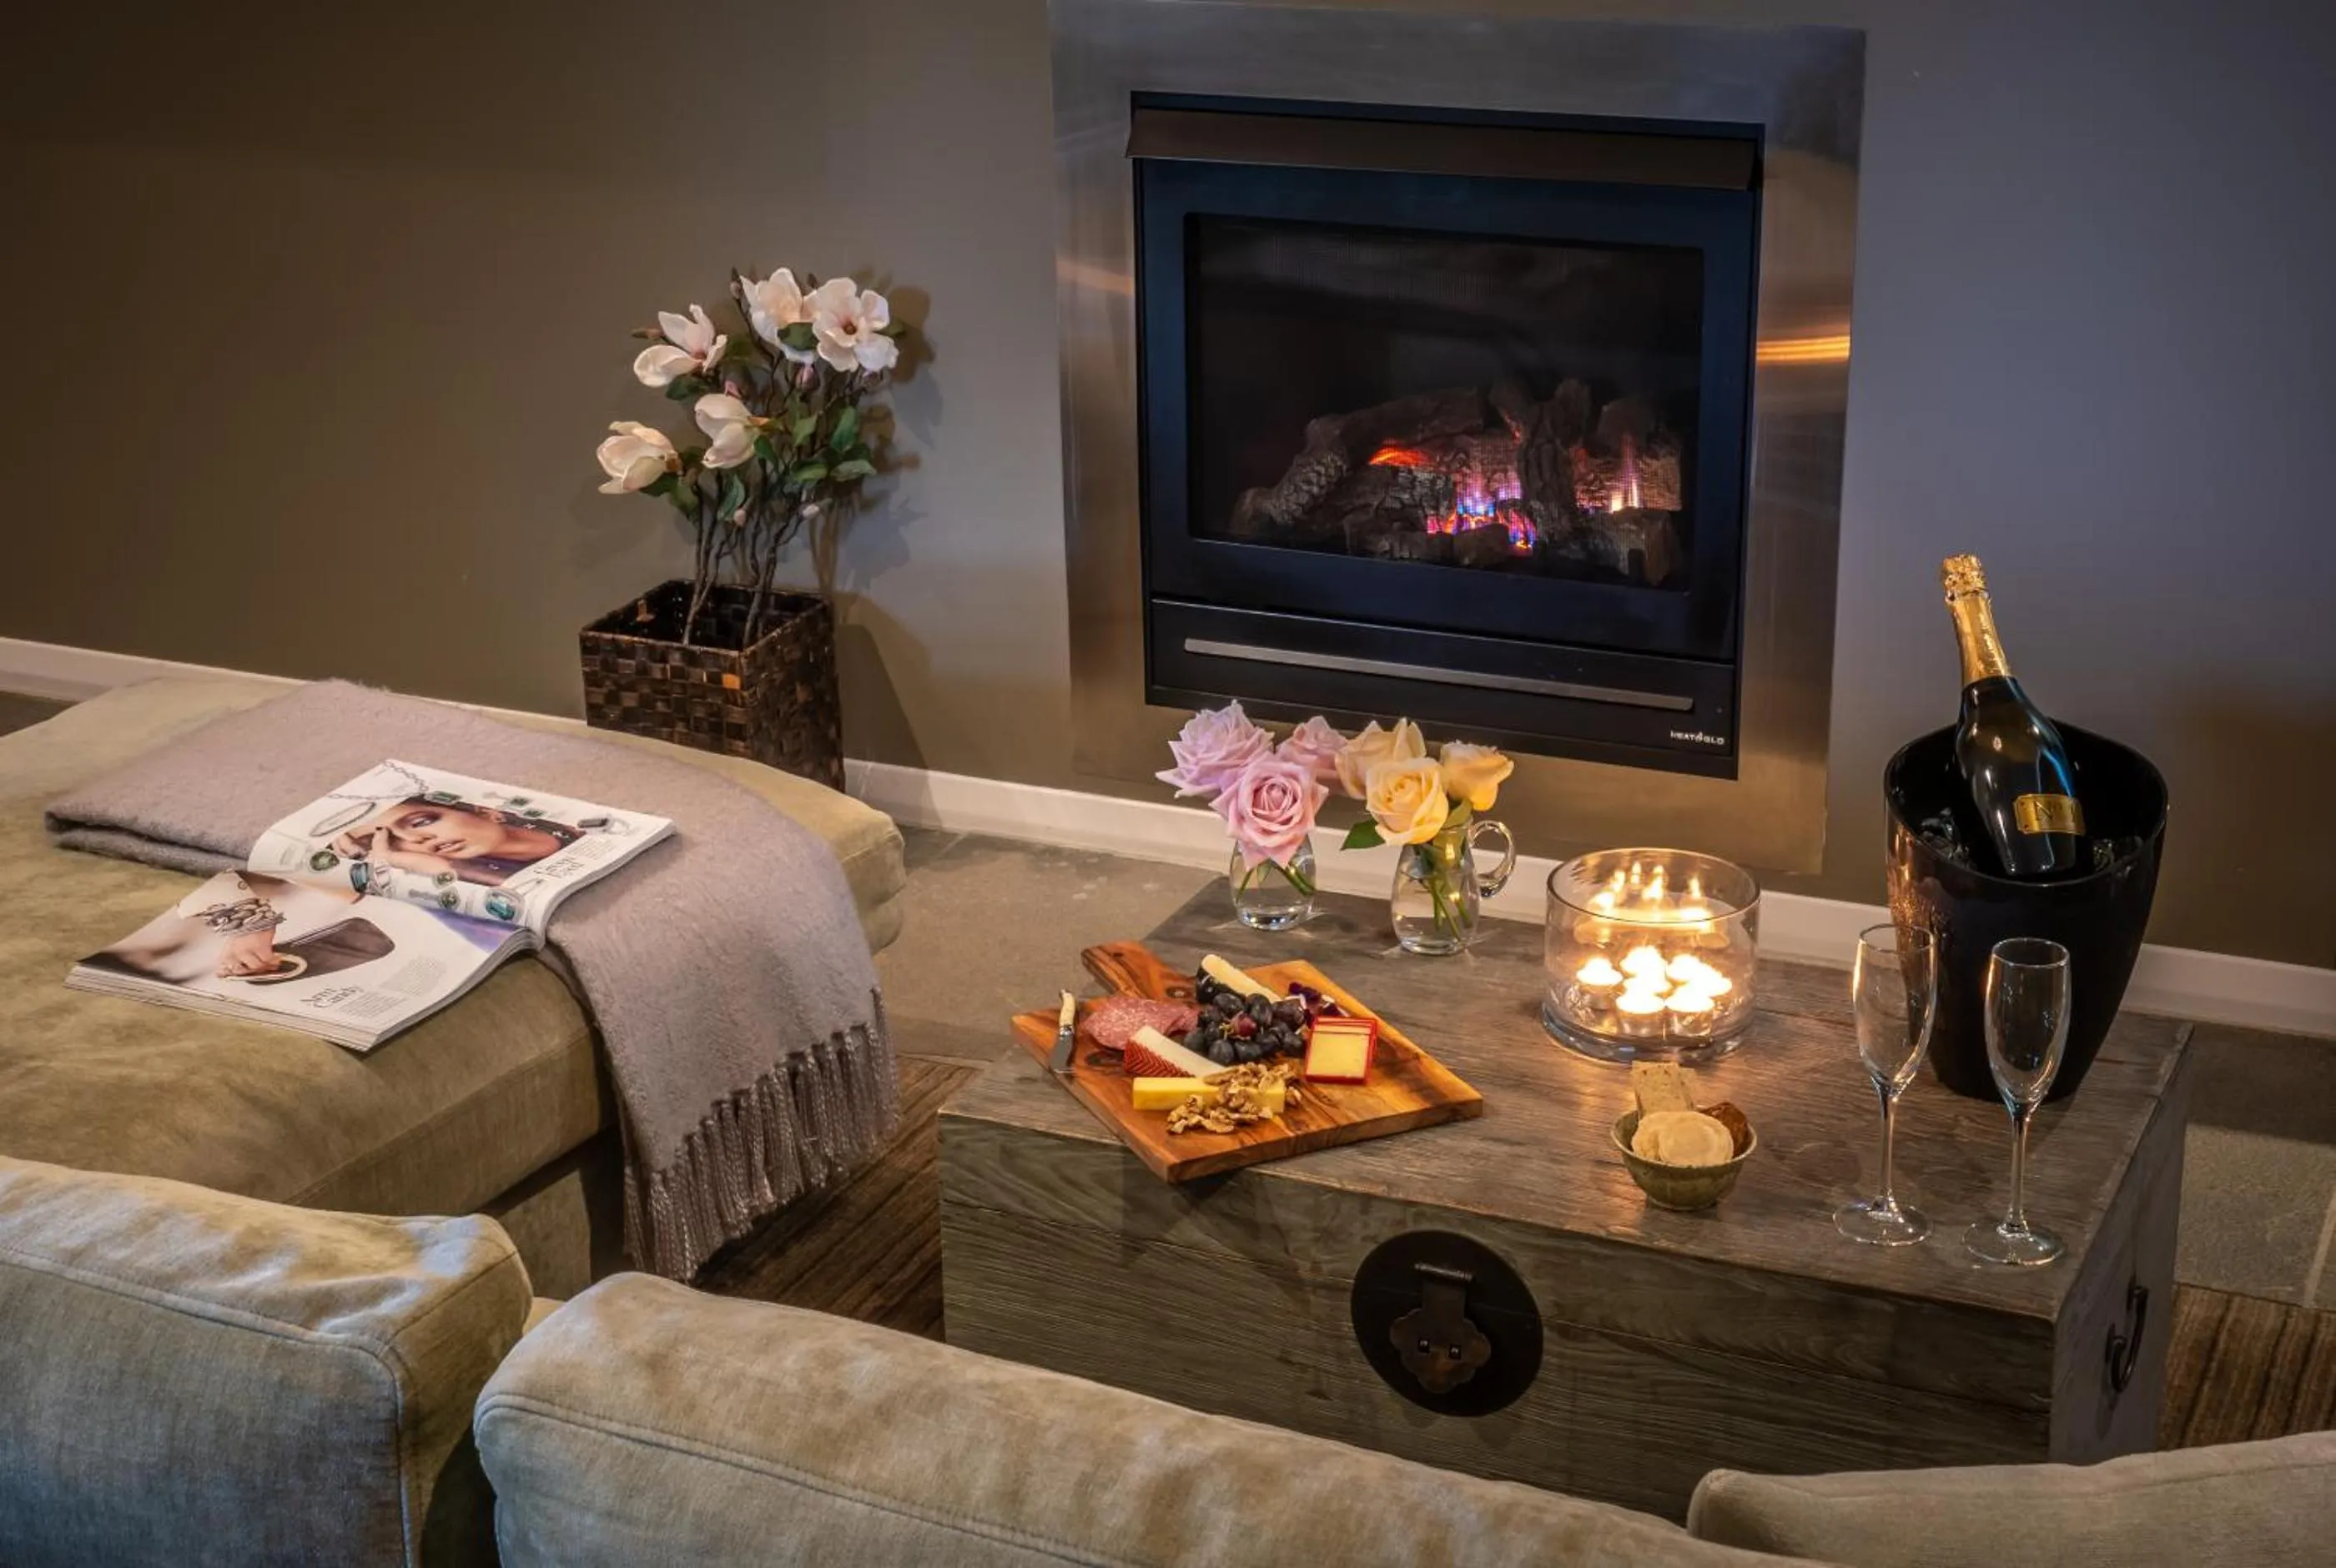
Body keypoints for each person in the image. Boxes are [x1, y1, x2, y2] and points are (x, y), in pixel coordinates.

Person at [329, 796, 582, 887]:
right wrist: (394, 858)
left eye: (420, 822)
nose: (416, 839)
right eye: (393, 841)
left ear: (484, 811)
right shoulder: (483, 880)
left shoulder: (560, 819)